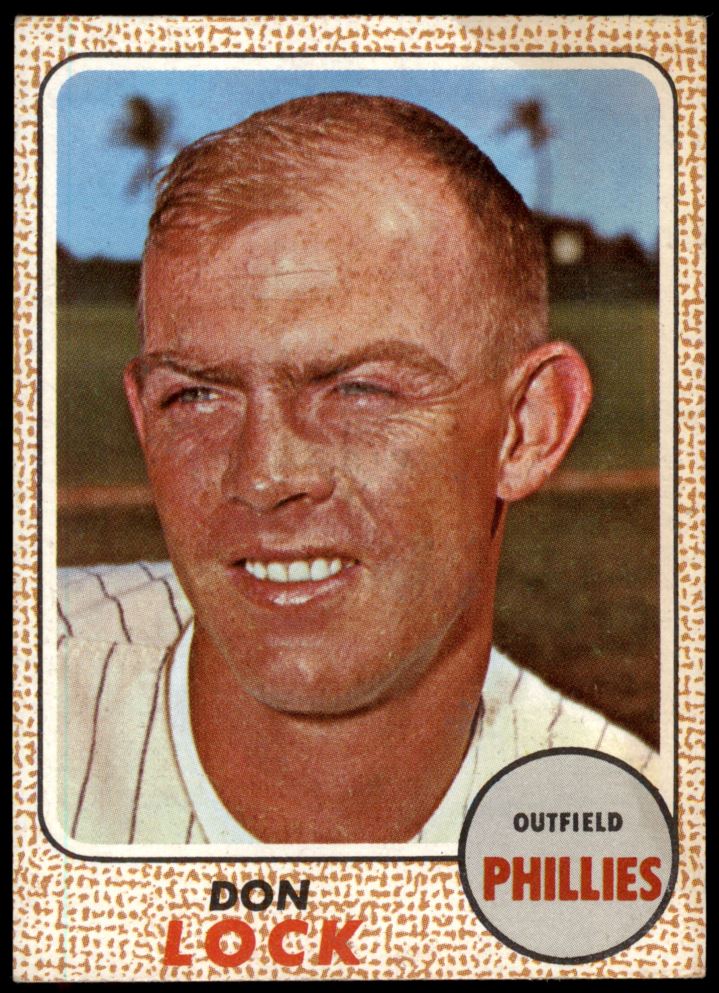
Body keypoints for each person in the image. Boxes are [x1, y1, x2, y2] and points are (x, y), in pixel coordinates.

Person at [54, 93, 658, 848]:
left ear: (526, 429)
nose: (265, 475)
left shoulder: (624, 836)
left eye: (358, 390)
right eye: (197, 396)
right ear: (145, 420)